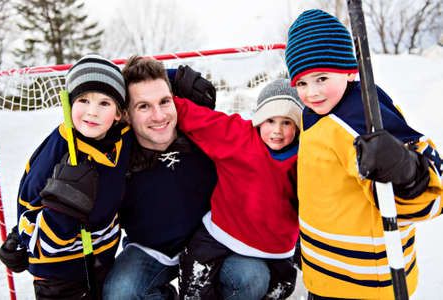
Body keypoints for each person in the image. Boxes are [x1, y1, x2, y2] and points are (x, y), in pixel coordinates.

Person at [285, 9, 443, 299]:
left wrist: (406, 172)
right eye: (302, 83)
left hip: (366, 285)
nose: (312, 93)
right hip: (325, 276)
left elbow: (432, 190)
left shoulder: (361, 117)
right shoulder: (314, 114)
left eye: (321, 78)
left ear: (349, 70)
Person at [102, 57, 273, 300]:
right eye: (143, 106)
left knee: (251, 278)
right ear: (126, 115)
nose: (159, 115)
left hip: (213, 241)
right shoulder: (118, 151)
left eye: (164, 101)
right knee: (119, 293)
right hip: (151, 249)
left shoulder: (201, 131)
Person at [14, 54, 132, 300]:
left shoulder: (123, 139)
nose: (92, 112)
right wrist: (61, 213)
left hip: (103, 265)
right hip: (59, 277)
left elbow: (148, 91)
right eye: (83, 99)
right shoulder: (57, 151)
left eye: (104, 103)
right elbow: (27, 214)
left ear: (120, 113)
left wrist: (175, 77)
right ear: (68, 103)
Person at [174, 78, 304, 299]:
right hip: (223, 230)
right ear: (259, 119)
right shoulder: (238, 135)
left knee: (282, 287)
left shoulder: (305, 156)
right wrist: (163, 91)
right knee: (194, 276)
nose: (277, 131)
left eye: (287, 122)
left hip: (275, 244)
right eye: (270, 120)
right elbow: (198, 119)